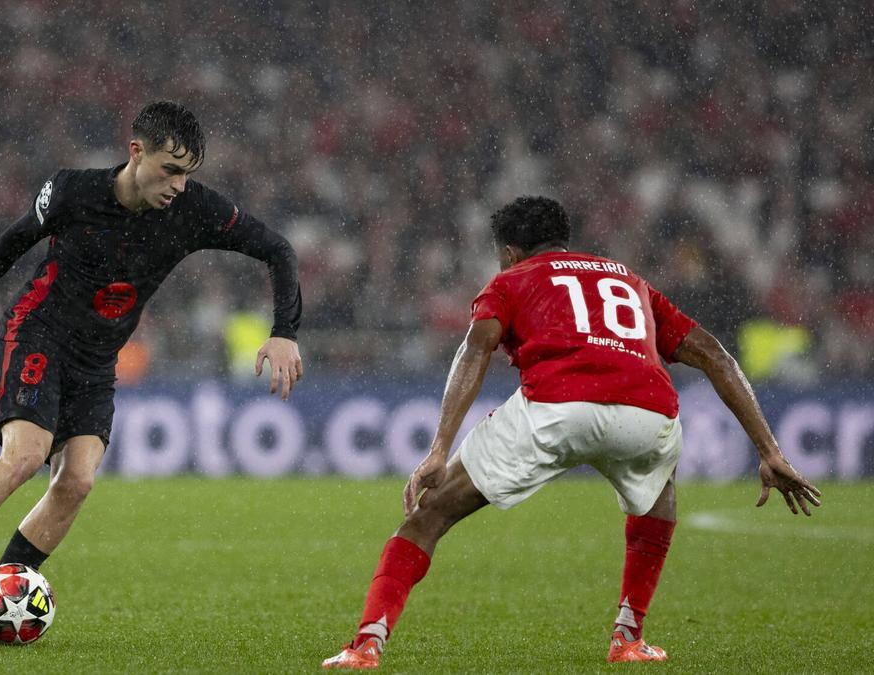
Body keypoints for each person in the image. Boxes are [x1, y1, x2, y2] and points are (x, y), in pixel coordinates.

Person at [322, 196, 820, 668]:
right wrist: (769, 449)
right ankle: (629, 636)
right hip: (647, 413)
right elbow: (715, 355)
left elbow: (475, 349)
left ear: (511, 252)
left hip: (557, 407)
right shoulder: (630, 281)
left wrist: (438, 450)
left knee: (429, 515)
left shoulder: (513, 279)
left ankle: (367, 644)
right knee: (659, 493)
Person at [0, 101, 304, 643]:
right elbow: (20, 235)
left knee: (78, 481)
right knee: (24, 456)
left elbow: (277, 249)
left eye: (189, 173)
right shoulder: (74, 191)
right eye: (171, 169)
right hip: (38, 331)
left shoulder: (194, 209)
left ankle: (2, 592)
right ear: (136, 152)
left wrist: (284, 332)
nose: (179, 185)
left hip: (96, 359)